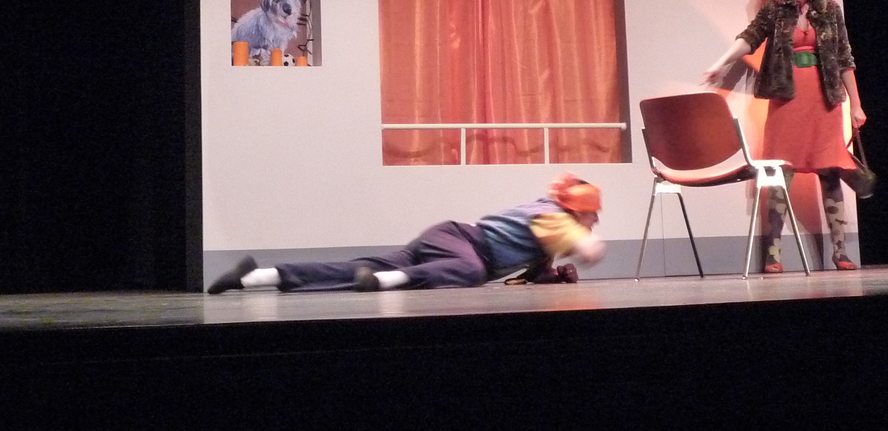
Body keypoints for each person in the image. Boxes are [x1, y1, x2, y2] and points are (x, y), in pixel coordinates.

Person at [702, 0, 866, 272]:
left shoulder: (830, 10)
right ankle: (773, 255)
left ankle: (840, 251)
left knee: (830, 170)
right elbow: (749, 38)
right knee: (779, 172)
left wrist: (856, 106)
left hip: (824, 100)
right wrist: (720, 63)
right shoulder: (775, 10)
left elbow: (844, 58)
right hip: (786, 99)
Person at [206, 173, 606, 294]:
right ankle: (386, 281)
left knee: (355, 268)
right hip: (461, 244)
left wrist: (553, 275)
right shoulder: (554, 217)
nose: (595, 223)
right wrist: (588, 246)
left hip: (443, 242)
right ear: (578, 211)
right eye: (593, 216)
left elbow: (532, 272)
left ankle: (257, 276)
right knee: (471, 272)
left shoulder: (547, 228)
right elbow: (587, 248)